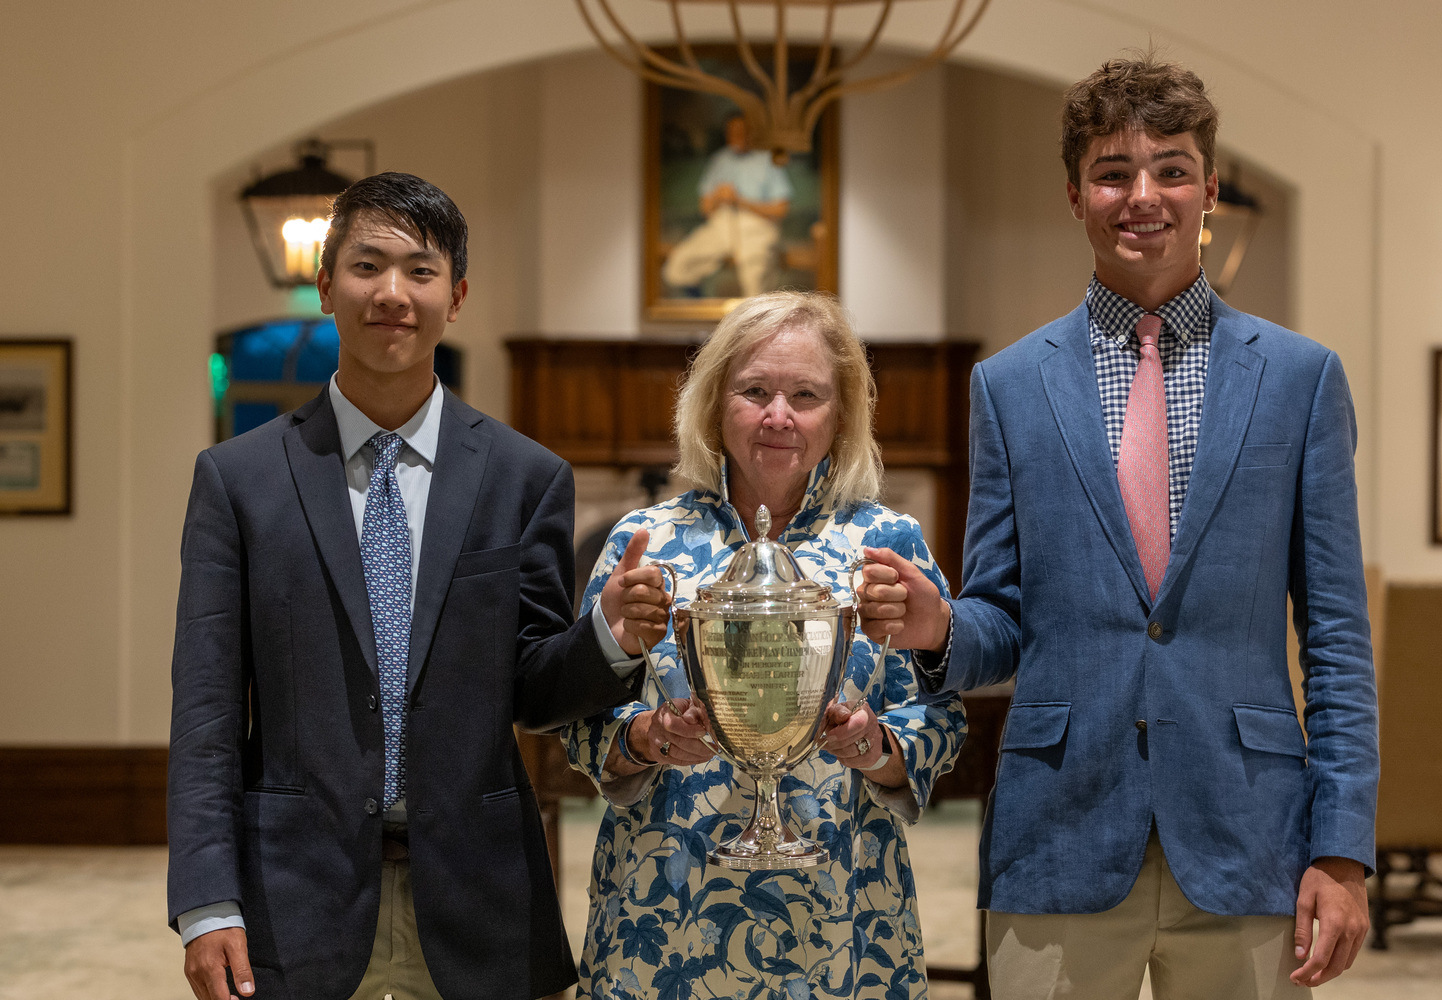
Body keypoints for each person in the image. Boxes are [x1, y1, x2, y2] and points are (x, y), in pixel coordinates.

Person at [857, 57, 1379, 1000]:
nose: (1144, 196)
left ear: (1209, 189)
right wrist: (941, 630)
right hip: (1059, 832)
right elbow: (1001, 618)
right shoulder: (1008, 386)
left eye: (1171, 169)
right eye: (1113, 172)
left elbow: (1337, 637)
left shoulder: (1302, 380)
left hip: (1249, 836)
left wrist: (1342, 851)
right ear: (1074, 195)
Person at [167, 172, 643, 1000]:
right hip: (292, 895)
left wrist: (606, 635)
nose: (393, 293)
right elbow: (206, 712)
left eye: (420, 271)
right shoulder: (237, 481)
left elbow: (530, 688)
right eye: (368, 266)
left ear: (455, 297)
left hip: (478, 896)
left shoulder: (525, 478)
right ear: (324, 285)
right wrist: (207, 903)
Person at [561, 291, 967, 1000]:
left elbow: (942, 717)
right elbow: (582, 726)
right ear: (717, 402)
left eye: (805, 394)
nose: (779, 415)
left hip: (842, 916)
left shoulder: (887, 545)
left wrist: (877, 746)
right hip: (666, 914)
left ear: (840, 414)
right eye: (755, 390)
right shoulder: (644, 544)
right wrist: (649, 737)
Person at [662, 115, 791, 297]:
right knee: (680, 264)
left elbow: (781, 209)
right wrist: (718, 196)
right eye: (732, 132)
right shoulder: (720, 160)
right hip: (722, 223)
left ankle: (754, 320)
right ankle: (699, 306)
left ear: (751, 132)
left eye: (742, 131)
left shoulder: (767, 159)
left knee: (755, 274)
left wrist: (740, 200)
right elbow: (705, 208)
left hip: (757, 226)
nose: (737, 136)